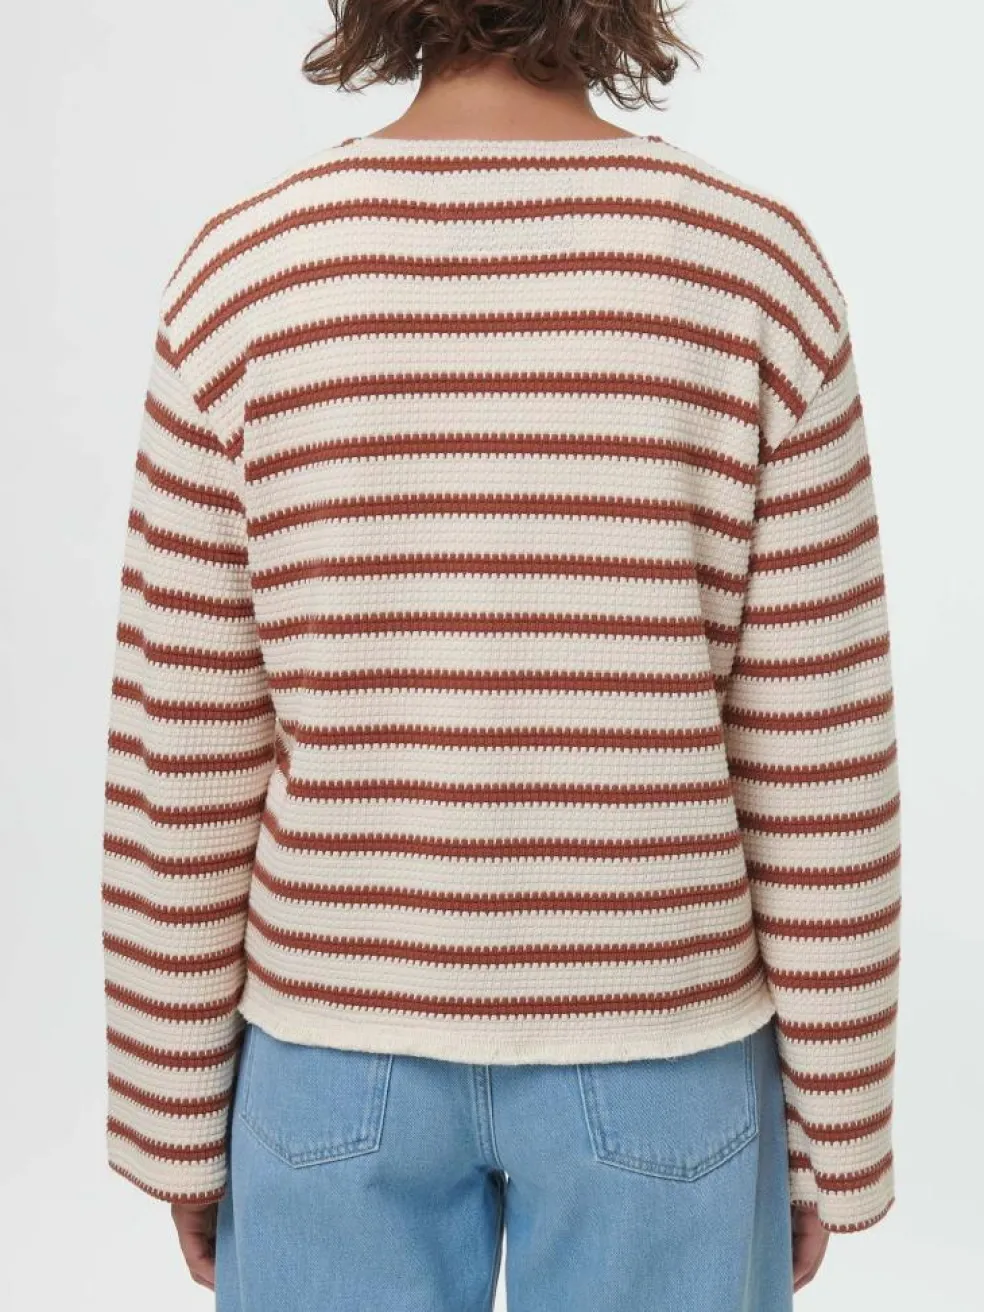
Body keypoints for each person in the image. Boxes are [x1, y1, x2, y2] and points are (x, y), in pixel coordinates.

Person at [99, 3, 902, 1308]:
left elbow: (182, 745)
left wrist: (172, 1112)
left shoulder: (247, 275)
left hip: (330, 1043)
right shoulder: (751, 269)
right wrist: (838, 1127)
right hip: (664, 1041)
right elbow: (821, 748)